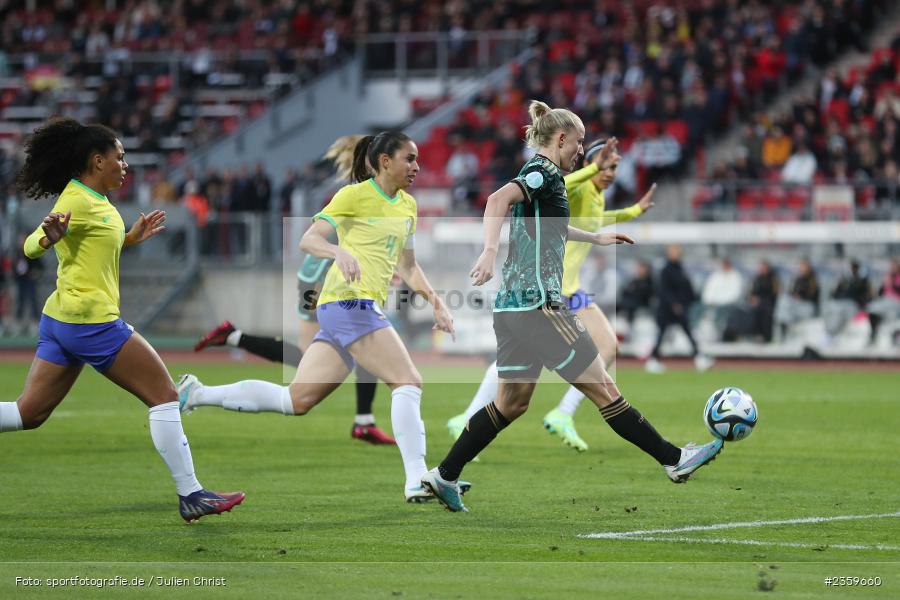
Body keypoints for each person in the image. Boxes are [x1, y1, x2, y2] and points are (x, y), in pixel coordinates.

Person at [420, 101, 723, 512]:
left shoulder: (549, 180)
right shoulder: (543, 172)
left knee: (511, 403)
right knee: (604, 388)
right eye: (579, 143)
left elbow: (553, 226)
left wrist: (596, 238)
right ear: (561, 138)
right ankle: (674, 459)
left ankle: (444, 475)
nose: (581, 151)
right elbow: (496, 199)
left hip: (512, 307)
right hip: (540, 305)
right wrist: (489, 250)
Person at [177, 132, 466, 503]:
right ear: (385, 161)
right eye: (409, 158)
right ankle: (416, 479)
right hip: (349, 303)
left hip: (348, 308)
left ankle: (197, 393)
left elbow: (408, 266)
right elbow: (309, 239)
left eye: (417, 159)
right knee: (408, 381)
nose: (417, 166)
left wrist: (436, 302)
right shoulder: (354, 195)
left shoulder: (408, 205)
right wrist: (337, 252)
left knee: (296, 400)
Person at [0, 117, 244, 523]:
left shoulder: (95, 198)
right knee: (165, 395)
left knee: (29, 414)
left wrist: (130, 239)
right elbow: (29, 247)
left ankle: (193, 495)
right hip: (90, 322)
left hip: (62, 320)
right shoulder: (77, 200)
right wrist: (46, 238)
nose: (125, 165)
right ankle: (192, 495)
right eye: (120, 156)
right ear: (97, 160)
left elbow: (93, 246)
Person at [446, 138, 659, 453]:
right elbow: (556, 184)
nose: (610, 172)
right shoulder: (577, 187)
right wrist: (592, 171)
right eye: (605, 165)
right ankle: (557, 413)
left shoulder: (596, 197)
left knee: (585, 351)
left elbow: (599, 219)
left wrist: (635, 210)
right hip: (555, 289)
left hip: (570, 288)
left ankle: (552, 413)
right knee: (593, 352)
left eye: (615, 167)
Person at [193, 136, 395, 446]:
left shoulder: (373, 191)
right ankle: (364, 421)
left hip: (320, 276)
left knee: (339, 351)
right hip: (323, 278)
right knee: (350, 348)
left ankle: (233, 337)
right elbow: (336, 238)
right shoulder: (362, 193)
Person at [646, 245, 714, 374]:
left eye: (677, 251)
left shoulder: (681, 269)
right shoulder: (666, 270)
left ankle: (699, 358)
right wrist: (674, 304)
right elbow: (664, 290)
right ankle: (653, 360)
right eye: (673, 251)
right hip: (667, 309)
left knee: (688, 332)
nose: (676, 254)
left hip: (680, 308)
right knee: (661, 335)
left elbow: (687, 289)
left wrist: (693, 300)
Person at [699, 257, 744, 340]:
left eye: (726, 264)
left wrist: (719, 302)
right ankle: (701, 334)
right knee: (697, 310)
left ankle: (720, 335)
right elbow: (709, 290)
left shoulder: (736, 276)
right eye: (723, 264)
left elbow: (735, 294)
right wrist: (709, 301)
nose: (725, 266)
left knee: (719, 313)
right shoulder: (716, 276)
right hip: (713, 304)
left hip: (729, 304)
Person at [774, 257, 819, 340]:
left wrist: (801, 297)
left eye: (804, 267)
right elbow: (791, 292)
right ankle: (782, 325)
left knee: (786, 305)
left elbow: (813, 295)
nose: (802, 269)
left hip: (808, 306)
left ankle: (784, 328)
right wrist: (794, 296)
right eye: (801, 266)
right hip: (796, 305)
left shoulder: (812, 279)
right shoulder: (797, 279)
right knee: (783, 300)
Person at [866, 257, 900, 344]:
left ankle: (894, 335)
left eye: (894, 265)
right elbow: (880, 293)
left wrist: (892, 284)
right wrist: (883, 285)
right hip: (885, 301)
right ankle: (874, 333)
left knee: (891, 314)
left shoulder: (898, 277)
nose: (892, 267)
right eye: (891, 265)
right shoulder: (887, 276)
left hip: (896, 302)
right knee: (871, 309)